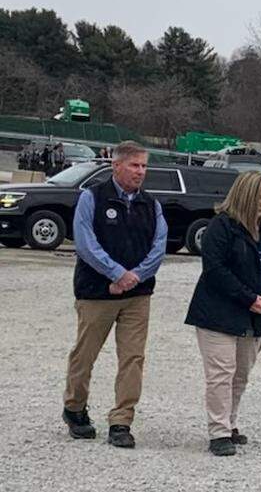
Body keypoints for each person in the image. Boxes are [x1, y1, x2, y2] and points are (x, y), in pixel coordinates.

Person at [62, 141, 167, 449]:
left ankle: (121, 421)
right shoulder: (91, 198)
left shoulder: (152, 205)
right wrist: (116, 273)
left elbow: (158, 247)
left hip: (137, 295)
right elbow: (85, 243)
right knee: (85, 353)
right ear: (117, 166)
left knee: (132, 358)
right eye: (135, 165)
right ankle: (75, 407)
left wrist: (136, 276)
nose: (141, 172)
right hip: (97, 293)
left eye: (144, 166)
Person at [185, 171, 261, 456]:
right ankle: (218, 432)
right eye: (258, 198)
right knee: (221, 373)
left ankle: (230, 423)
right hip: (218, 313)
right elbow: (215, 269)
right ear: (244, 196)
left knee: (240, 374)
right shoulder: (222, 227)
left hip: (255, 315)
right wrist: (248, 298)